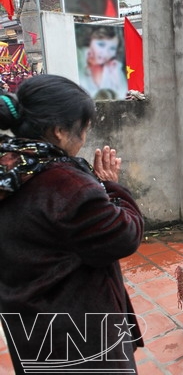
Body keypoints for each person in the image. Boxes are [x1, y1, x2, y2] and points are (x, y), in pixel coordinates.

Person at [0, 74, 144, 372]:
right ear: (59, 131)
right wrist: (111, 186)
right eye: (84, 130)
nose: (83, 139)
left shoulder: (10, 166)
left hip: (28, 322)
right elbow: (125, 235)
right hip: (78, 333)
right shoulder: (67, 186)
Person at [77, 25, 128, 100]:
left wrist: (116, 80)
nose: (105, 53)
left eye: (112, 48)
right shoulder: (79, 62)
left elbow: (123, 97)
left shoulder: (115, 68)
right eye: (101, 45)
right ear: (89, 42)